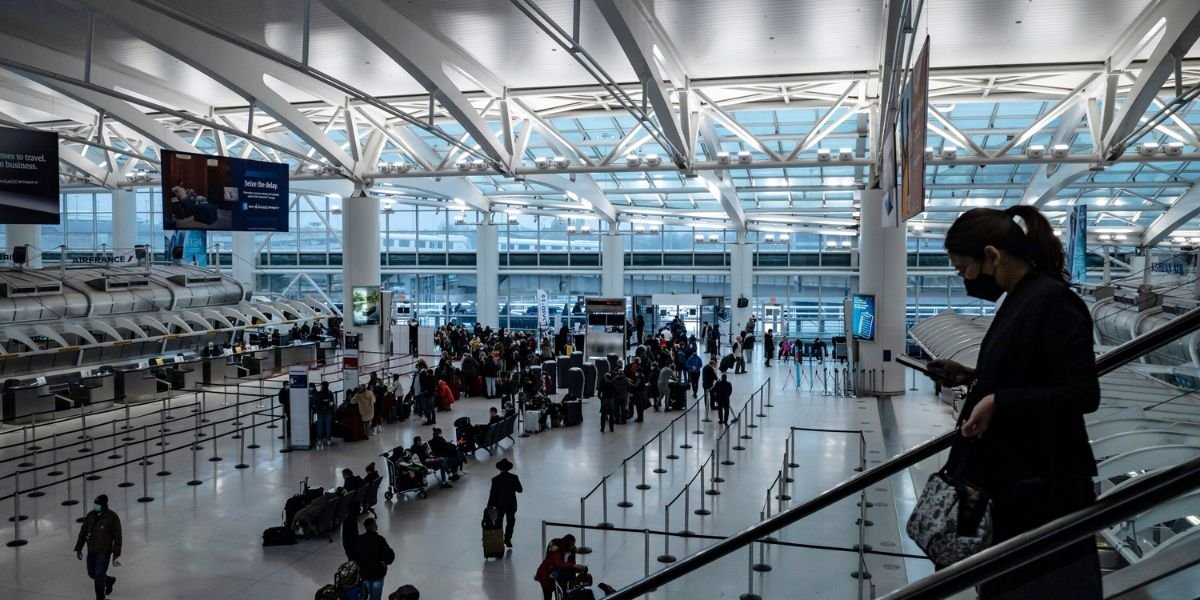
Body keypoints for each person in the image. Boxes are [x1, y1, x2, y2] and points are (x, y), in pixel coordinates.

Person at [929, 205, 1101, 599]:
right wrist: (971, 376)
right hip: (1015, 483)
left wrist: (1000, 402)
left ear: (991, 255)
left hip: (1044, 490)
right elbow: (1029, 369)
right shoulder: (1020, 299)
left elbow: (1082, 393)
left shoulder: (1054, 302)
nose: (965, 279)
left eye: (963, 269)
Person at [75, 494, 121, 600]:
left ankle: (100, 598)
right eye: (95, 504)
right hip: (91, 550)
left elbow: (118, 536)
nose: (96, 506)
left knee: (99, 575)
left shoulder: (112, 517)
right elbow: (83, 532)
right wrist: (78, 548)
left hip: (104, 551)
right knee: (92, 573)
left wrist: (116, 552)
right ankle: (109, 581)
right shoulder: (90, 515)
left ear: (104, 505)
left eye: (98, 504)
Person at [535, 534, 588, 600]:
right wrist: (574, 566)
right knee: (548, 595)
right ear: (566, 544)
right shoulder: (556, 547)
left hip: (559, 575)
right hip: (546, 575)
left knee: (563, 595)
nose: (573, 546)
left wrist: (578, 569)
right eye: (572, 545)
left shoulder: (572, 550)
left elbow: (570, 565)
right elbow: (558, 563)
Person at [354, 518, 396, 600]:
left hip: (364, 573)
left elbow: (354, 555)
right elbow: (390, 555)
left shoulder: (359, 539)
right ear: (373, 526)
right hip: (378, 573)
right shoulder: (380, 540)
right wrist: (386, 562)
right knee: (375, 597)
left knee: (363, 596)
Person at [487, 458, 523, 548]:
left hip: (499, 505)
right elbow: (520, 490)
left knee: (499, 522)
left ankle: (498, 540)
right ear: (509, 468)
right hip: (511, 504)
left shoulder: (495, 479)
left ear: (499, 469)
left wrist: (489, 506)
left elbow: (492, 494)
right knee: (510, 522)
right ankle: (507, 539)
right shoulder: (514, 477)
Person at [314, 381, 336, 448]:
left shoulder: (319, 393)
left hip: (320, 412)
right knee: (328, 426)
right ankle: (328, 439)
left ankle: (319, 439)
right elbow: (332, 403)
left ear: (323, 386)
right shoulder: (330, 393)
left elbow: (316, 402)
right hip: (328, 412)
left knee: (320, 425)